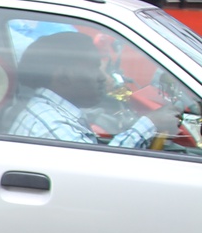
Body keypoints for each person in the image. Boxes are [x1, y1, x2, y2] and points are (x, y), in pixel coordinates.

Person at [9, 31, 159, 149]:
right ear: (64, 75)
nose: (103, 77)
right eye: (94, 67)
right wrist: (150, 124)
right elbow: (100, 175)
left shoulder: (44, 109)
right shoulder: (51, 125)